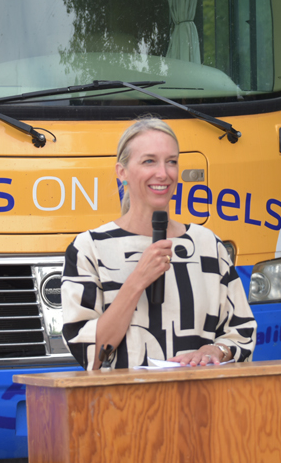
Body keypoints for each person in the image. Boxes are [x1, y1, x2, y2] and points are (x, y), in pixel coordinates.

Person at [61, 116, 256, 370]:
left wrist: (217, 350)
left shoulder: (209, 245)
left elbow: (242, 333)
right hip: (124, 405)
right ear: (122, 172)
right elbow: (92, 355)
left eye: (171, 162)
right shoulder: (89, 249)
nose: (163, 174)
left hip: (202, 403)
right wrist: (136, 281)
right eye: (149, 161)